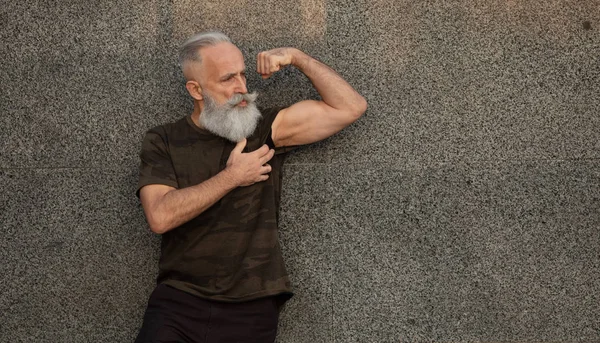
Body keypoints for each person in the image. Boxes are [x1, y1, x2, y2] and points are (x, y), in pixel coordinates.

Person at [134, 31, 367, 343]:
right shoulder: (164, 139)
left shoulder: (264, 129)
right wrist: (232, 177)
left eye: (243, 74)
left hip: (252, 307)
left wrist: (298, 57)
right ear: (196, 89)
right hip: (179, 302)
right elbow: (160, 216)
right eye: (228, 79)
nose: (242, 89)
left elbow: (349, 107)